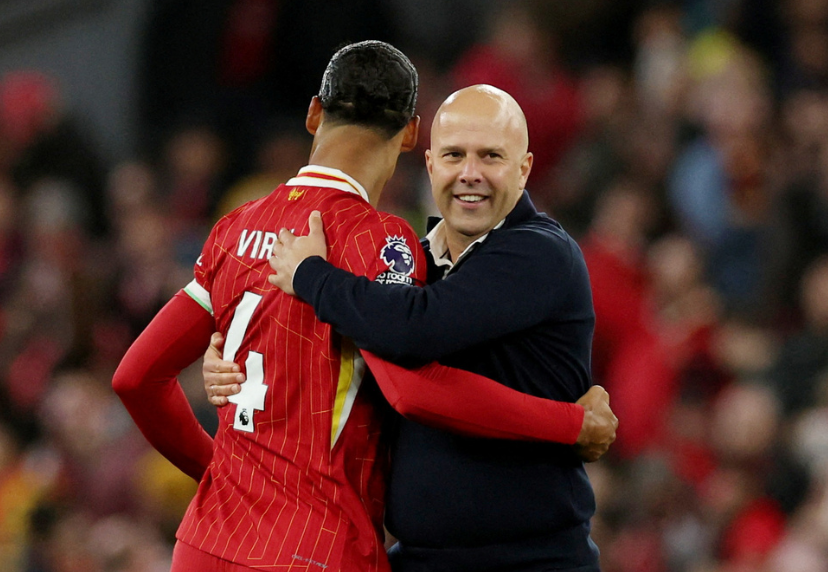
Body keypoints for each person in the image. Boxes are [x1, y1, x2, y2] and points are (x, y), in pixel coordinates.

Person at [114, 43, 614, 572]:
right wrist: (571, 423)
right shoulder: (386, 243)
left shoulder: (232, 228)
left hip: (208, 542)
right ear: (412, 137)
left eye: (490, 156)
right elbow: (409, 385)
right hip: (317, 545)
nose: (469, 172)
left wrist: (224, 471)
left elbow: (136, 377)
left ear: (313, 114)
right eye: (455, 155)